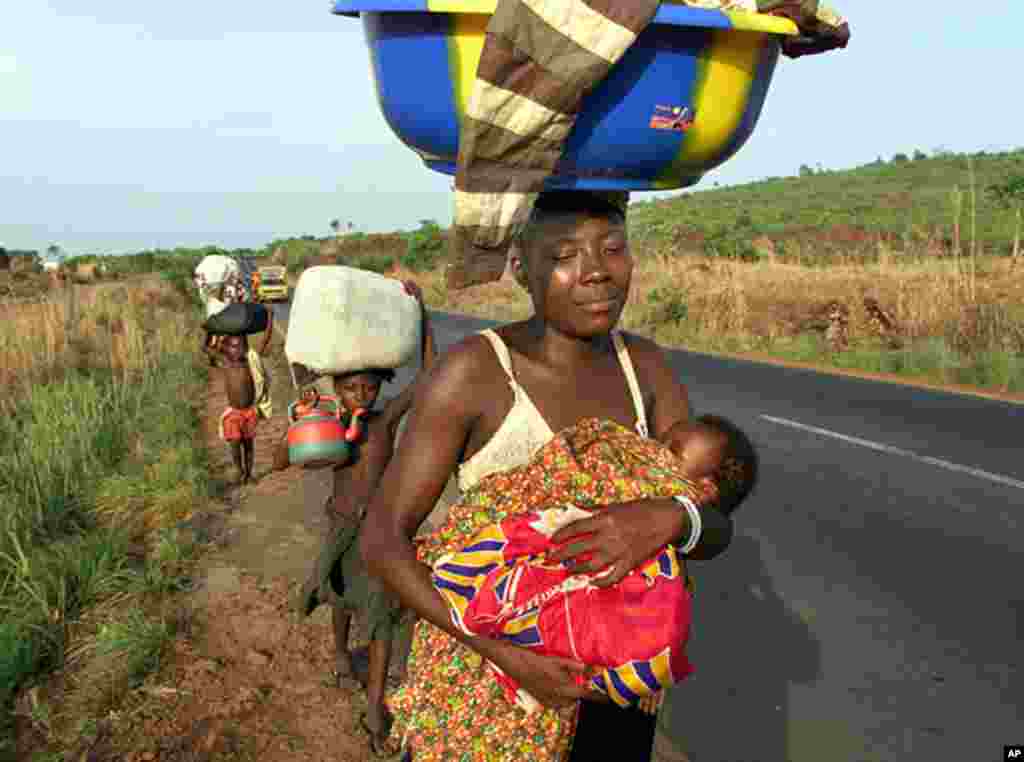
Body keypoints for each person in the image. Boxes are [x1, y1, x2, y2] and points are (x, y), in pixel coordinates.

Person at [359, 190, 736, 762]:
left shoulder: (646, 367)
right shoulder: (475, 373)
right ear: (521, 268)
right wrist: (500, 652)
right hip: (487, 678)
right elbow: (381, 541)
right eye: (565, 256)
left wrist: (666, 517)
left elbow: (714, 528)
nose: (596, 274)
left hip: (613, 690)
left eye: (612, 249)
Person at [424, 414, 757, 712]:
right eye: (657, 442)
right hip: (470, 646)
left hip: (559, 676)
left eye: (670, 451)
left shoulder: (662, 525)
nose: (650, 450)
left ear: (705, 490)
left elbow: (714, 534)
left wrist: (678, 517)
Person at [294, 279, 436, 758]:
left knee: (378, 612)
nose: (362, 395)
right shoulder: (326, 426)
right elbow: (285, 457)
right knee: (339, 595)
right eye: (352, 387)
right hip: (341, 527)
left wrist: (423, 313)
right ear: (336, 386)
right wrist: (306, 421)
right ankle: (338, 652)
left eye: (370, 386)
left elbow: (428, 376)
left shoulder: (386, 420)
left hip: (379, 531)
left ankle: (374, 706)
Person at [201, 310, 274, 486]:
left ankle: (249, 474)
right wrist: (210, 330)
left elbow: (265, 339)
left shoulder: (251, 359)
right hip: (234, 412)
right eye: (234, 346)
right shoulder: (226, 362)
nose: (239, 349)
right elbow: (206, 348)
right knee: (234, 443)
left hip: (250, 411)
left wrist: (270, 317)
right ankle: (239, 470)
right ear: (227, 349)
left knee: (248, 445)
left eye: (242, 345)